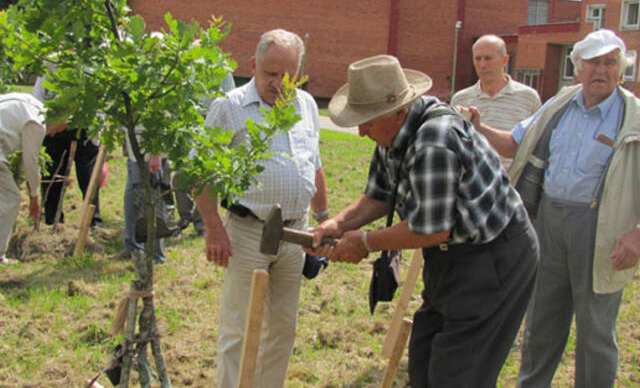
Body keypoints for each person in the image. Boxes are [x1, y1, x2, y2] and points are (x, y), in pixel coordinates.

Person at [309, 54, 538, 386]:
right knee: (424, 362)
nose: (361, 132)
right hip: (450, 258)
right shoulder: (391, 132)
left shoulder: (434, 140)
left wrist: (366, 242)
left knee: (458, 374)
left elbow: (431, 228)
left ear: (399, 110)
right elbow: (379, 195)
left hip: (494, 258)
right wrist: (340, 224)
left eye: (368, 122)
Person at [463, 29, 640, 387]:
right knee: (541, 321)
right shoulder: (560, 103)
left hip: (602, 231)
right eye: (593, 62)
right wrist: (479, 127)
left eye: (610, 63)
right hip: (547, 223)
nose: (601, 70)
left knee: (595, 332)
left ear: (621, 69)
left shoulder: (633, 117)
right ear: (578, 68)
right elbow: (515, 144)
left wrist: (636, 234)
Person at [195, 29, 329, 388]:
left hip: (293, 233)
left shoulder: (307, 106)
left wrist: (324, 219)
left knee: (283, 326)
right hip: (248, 231)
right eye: (271, 73)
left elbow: (313, 165)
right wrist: (212, 226)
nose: (279, 83)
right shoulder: (229, 107)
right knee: (238, 328)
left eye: (289, 75)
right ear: (253, 64)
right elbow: (200, 172)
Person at [451, 34, 541, 169]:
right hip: (473, 183)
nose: (482, 65)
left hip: (511, 184)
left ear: (505, 60)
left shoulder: (528, 97)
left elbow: (536, 145)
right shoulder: (460, 99)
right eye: (477, 59)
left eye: (488, 58)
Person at [33, 69, 103, 227]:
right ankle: (53, 220)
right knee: (51, 173)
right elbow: (37, 98)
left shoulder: (90, 65)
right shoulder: (50, 63)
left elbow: (95, 101)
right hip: (53, 128)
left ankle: (93, 221)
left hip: (84, 126)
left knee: (87, 175)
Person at [173, 73, 236, 236]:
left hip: (211, 121)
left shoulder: (222, 70)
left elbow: (230, 97)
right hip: (186, 122)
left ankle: (201, 223)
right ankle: (185, 216)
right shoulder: (185, 64)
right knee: (181, 173)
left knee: (207, 177)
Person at [0, 93, 45, 264]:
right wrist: (34, 196)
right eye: (60, 129)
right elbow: (31, 161)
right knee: (10, 198)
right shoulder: (37, 121)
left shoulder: (29, 102)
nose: (54, 134)